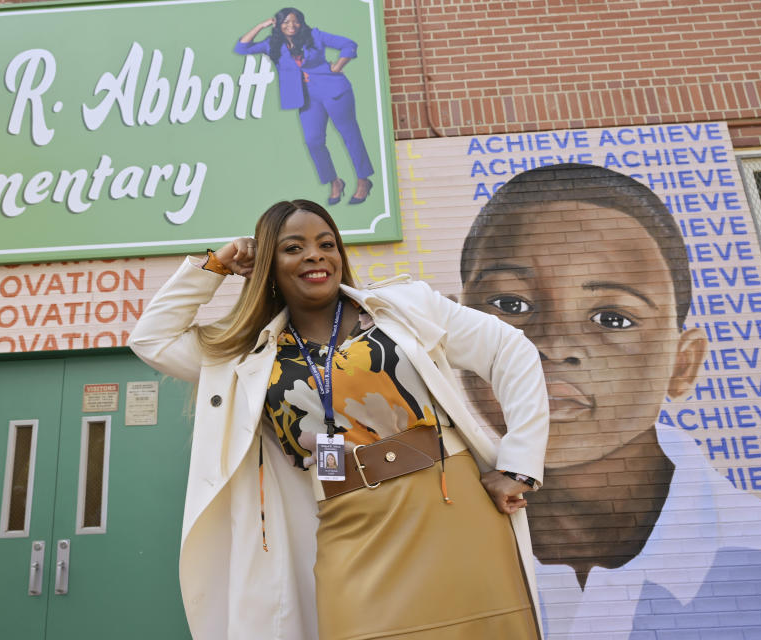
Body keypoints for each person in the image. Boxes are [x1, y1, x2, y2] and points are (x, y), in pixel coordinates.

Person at [129, 199, 549, 639]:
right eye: (294, 247)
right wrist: (217, 265)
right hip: (346, 521)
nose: (315, 255)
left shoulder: (404, 307)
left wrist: (518, 465)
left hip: (449, 505)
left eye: (325, 243)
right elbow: (152, 338)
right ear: (268, 263)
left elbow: (511, 351)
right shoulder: (246, 352)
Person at [459, 163, 761, 638]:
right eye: (511, 305)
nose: (554, 344)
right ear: (452, 339)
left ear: (682, 364)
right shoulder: (418, 545)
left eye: (612, 318)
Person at [235, 8, 374, 206]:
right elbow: (242, 48)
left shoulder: (314, 36)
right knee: (313, 141)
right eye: (285, 22)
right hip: (307, 99)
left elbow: (349, 45)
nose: (291, 25)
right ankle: (334, 182)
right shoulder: (271, 44)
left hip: (334, 91)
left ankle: (363, 181)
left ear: (301, 22)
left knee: (350, 136)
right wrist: (261, 25)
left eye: (295, 21)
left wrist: (338, 66)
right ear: (278, 24)